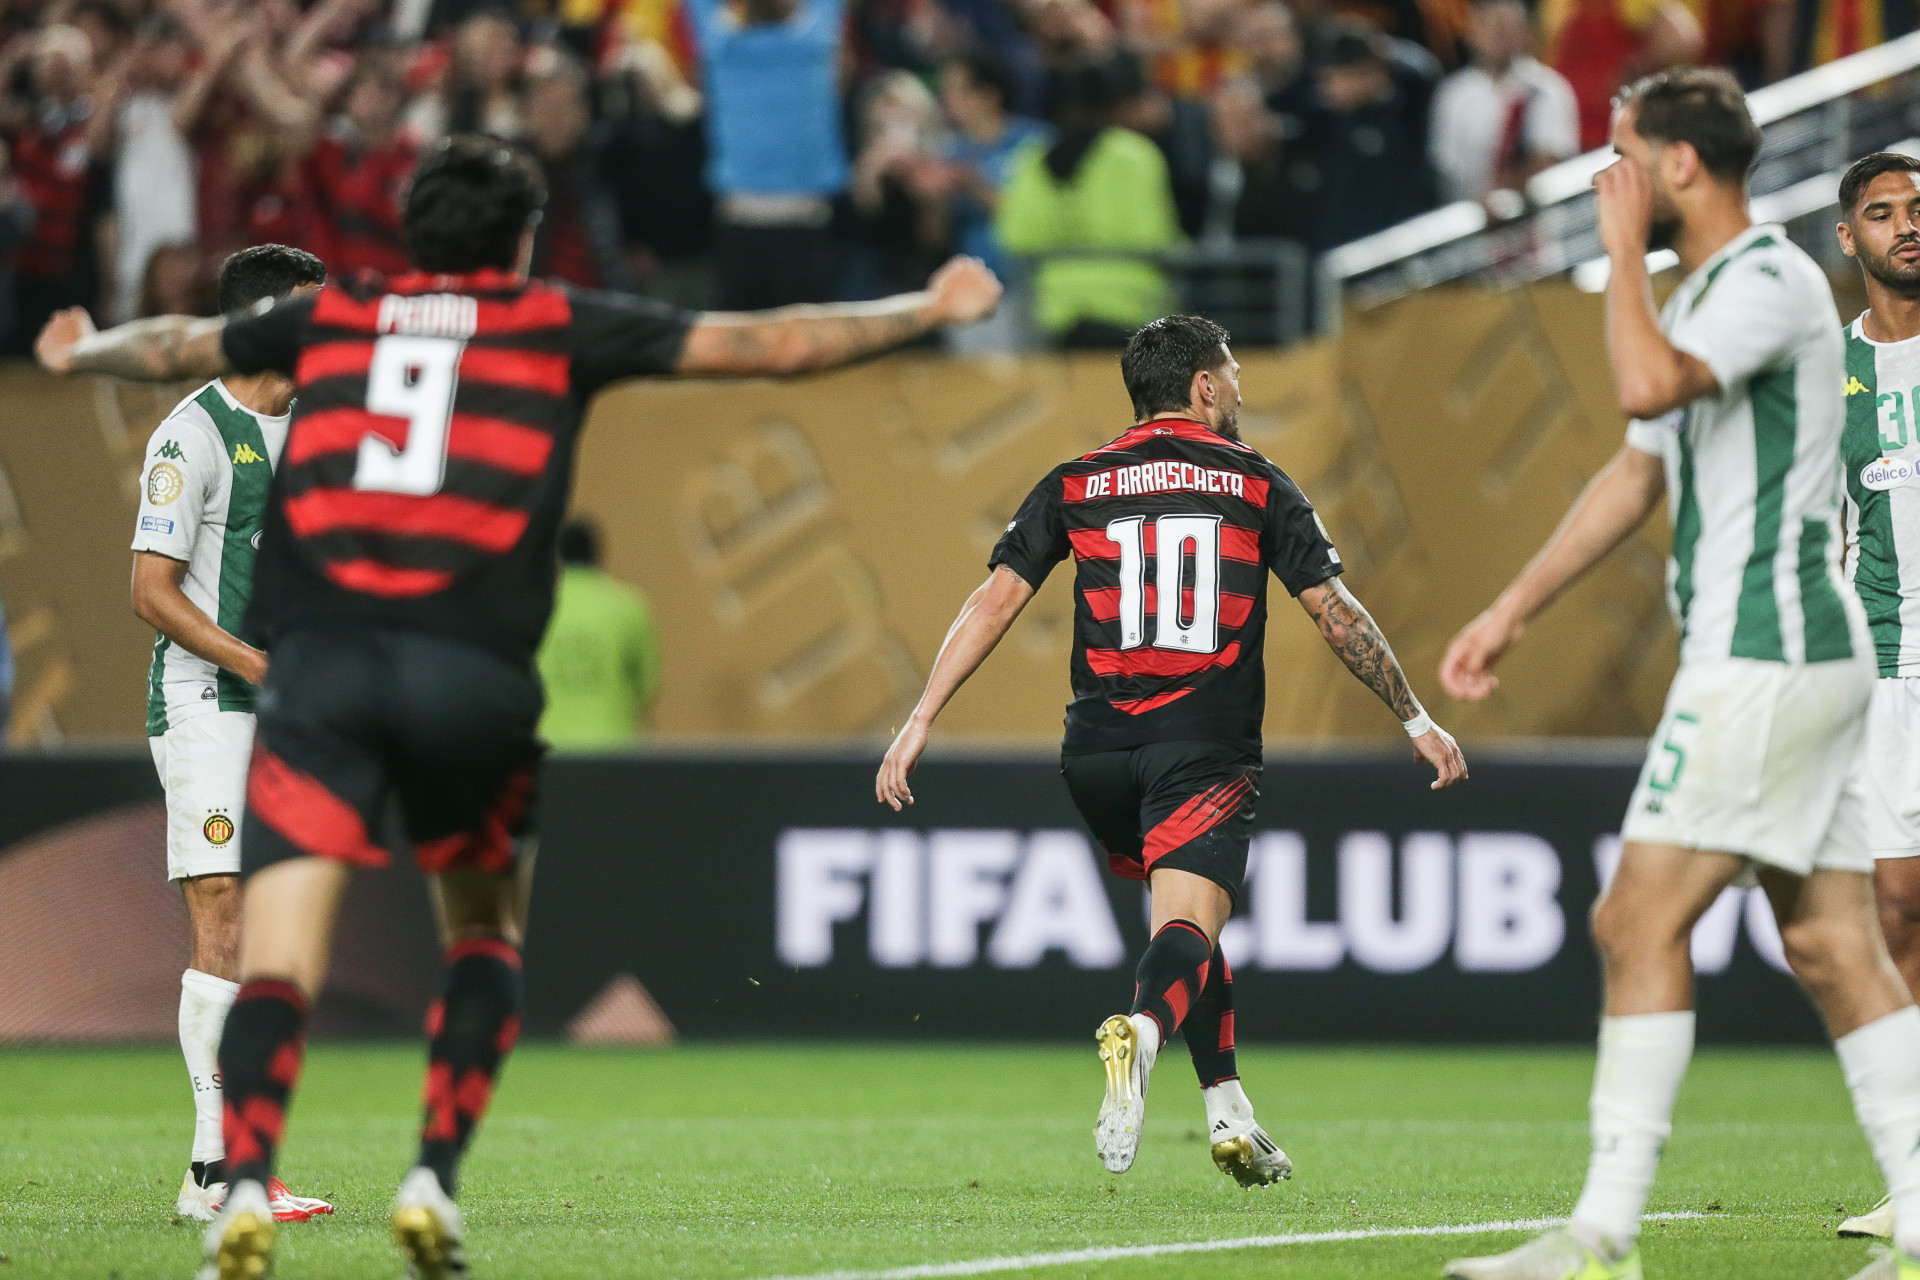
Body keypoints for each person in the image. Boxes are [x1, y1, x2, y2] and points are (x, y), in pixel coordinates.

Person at [34, 133, 1001, 1280]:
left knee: (280, 944)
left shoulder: (339, 322)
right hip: (464, 667)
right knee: (482, 927)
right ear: (523, 241)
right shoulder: (549, 319)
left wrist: (84, 347)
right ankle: (432, 1176)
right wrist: (924, 305)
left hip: (325, 672)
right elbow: (773, 343)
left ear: (408, 233)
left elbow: (179, 341)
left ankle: (242, 1176)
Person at [1438, 72, 1920, 1280]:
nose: (1610, 177)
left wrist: (1615, 256)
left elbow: (1645, 386)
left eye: (1623, 155)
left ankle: (1601, 1235)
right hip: (1791, 654)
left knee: (1635, 916)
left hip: (1770, 648)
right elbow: (1635, 469)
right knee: (1833, 944)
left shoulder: (1763, 280)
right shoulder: (1715, 292)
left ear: (1682, 168)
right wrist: (1510, 608)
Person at [876, 314, 1466, 1185]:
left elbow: (992, 601)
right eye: (1231, 375)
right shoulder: (1255, 483)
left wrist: (922, 713)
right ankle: (1141, 1037)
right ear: (1202, 386)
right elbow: (1334, 611)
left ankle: (1231, 1111)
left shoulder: (1077, 481)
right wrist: (1415, 715)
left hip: (1097, 755)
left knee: (1184, 926)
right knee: (1190, 924)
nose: (1239, 391)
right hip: (1202, 745)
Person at [125, 244, 333, 1226]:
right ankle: (216, 1173)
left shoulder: (319, 430)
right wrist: (259, 664)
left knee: (274, 938)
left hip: (289, 715)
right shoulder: (194, 434)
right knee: (226, 921)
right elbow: (149, 592)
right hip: (211, 704)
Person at [1829, 150, 1920, 1250]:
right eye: (1884, 213)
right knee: (1895, 912)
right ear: (1848, 238)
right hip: (1886, 677)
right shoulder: (1825, 376)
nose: (1908, 227)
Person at [997, 60, 1181, 346]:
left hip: (1054, 312)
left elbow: (1015, 236)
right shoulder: (1132, 153)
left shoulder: (1032, 158)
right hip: (1129, 307)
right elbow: (1153, 235)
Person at [686, 0, 848, 309]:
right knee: (811, 350)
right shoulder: (815, 44)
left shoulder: (722, 49)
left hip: (739, 223)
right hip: (806, 225)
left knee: (744, 350)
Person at [1427, 0, 1579, 205]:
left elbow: (1553, 160)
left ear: (1525, 33)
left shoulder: (1549, 88)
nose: (1499, 37)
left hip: (1537, 216)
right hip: (1470, 219)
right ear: (1472, 33)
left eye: (1508, 28)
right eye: (1490, 27)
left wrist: (1501, 197)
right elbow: (1446, 171)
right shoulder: (1453, 93)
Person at [535, 518, 660, 748]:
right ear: (597, 554)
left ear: (558, 556)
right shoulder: (628, 607)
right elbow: (646, 685)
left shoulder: (538, 609)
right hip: (613, 745)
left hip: (550, 746)